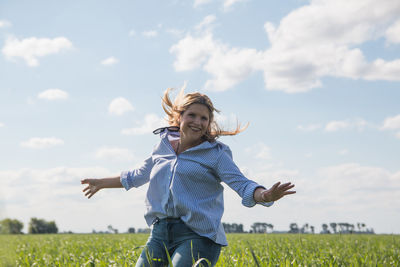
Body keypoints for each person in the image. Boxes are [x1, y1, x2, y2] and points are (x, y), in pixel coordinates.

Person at [81, 87, 296, 267]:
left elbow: (242, 184)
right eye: (192, 115)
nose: (197, 122)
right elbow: (137, 176)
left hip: (198, 235)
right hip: (160, 232)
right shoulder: (162, 146)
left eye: (204, 118)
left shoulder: (216, 154)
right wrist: (101, 183)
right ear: (179, 117)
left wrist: (265, 195)